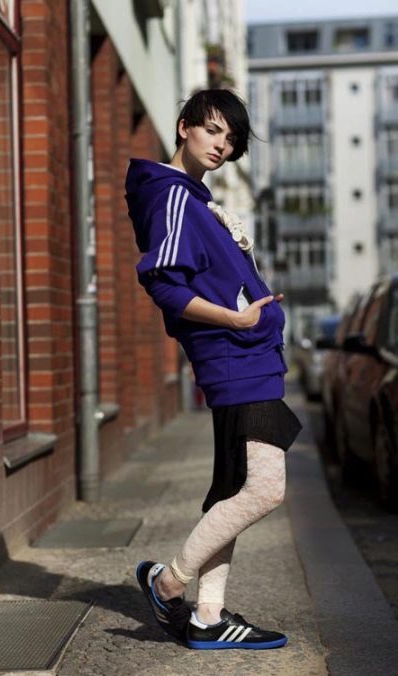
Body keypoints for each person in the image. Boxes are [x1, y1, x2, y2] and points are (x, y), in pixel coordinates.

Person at [125, 89, 301, 651]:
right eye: (213, 130)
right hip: (236, 360)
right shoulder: (173, 196)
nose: (222, 144)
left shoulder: (194, 200)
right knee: (265, 490)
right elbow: (163, 283)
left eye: (232, 138)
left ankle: (207, 616)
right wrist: (235, 318)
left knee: (232, 488)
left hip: (248, 359)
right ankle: (168, 583)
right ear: (184, 127)